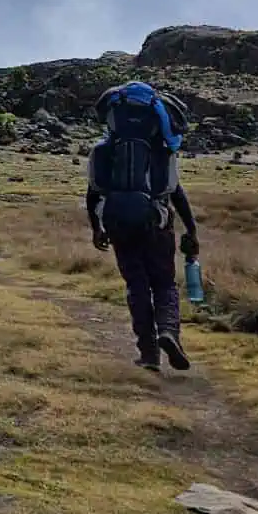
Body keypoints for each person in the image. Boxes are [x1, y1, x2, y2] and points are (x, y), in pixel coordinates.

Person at [86, 82, 200, 372]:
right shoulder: (163, 152)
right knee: (164, 284)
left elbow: (93, 192)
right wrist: (191, 230)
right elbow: (176, 192)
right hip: (156, 222)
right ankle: (168, 332)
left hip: (117, 223)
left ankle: (149, 354)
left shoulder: (105, 150)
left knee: (136, 286)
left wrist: (96, 228)